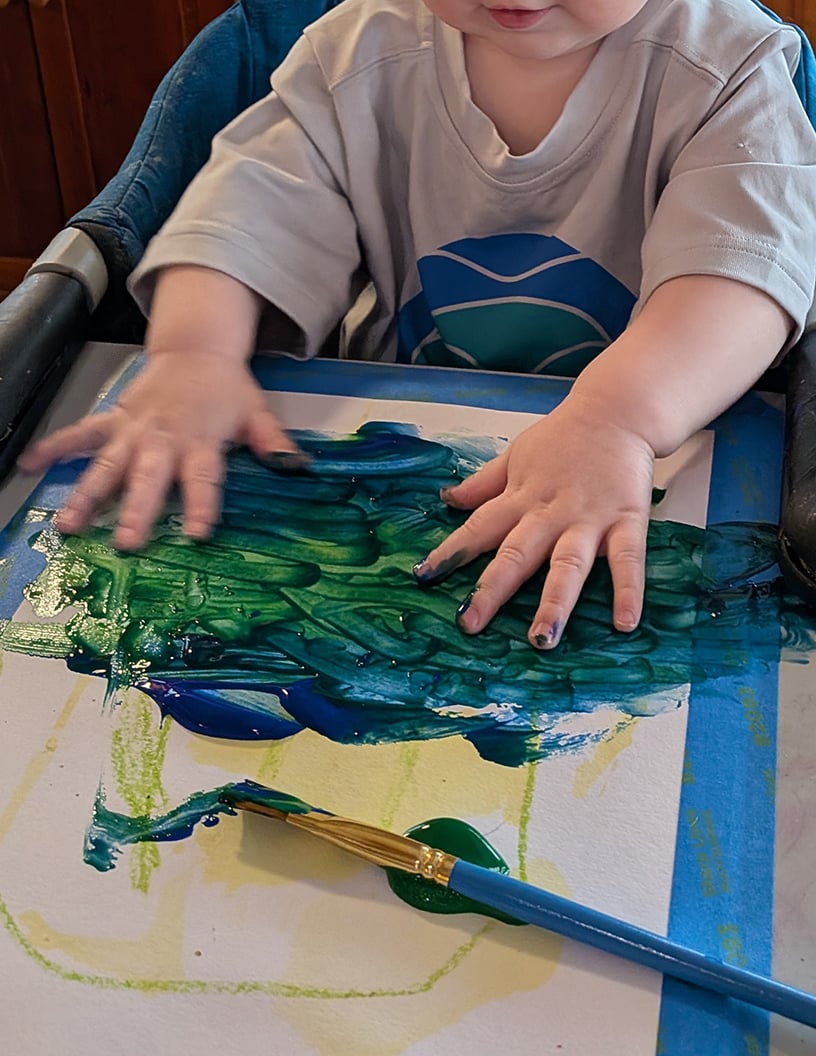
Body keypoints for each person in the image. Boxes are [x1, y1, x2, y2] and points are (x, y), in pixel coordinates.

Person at [19, 0, 816, 650]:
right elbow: (247, 210)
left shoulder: (731, 67)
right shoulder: (353, 52)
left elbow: (741, 275)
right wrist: (196, 351)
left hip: (652, 460)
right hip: (420, 467)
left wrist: (617, 420)